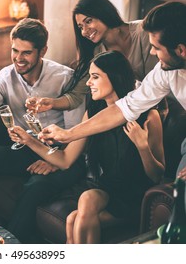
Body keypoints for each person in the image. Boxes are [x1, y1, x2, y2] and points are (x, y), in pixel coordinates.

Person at [11, 50, 165, 243]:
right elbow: (65, 160)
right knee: (80, 208)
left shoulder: (149, 116)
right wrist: (28, 140)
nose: (88, 82)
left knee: (73, 219)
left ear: (115, 77)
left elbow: (157, 175)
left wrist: (143, 146)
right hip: (108, 190)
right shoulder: (93, 113)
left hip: (137, 198)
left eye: (95, 77)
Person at [39, 2, 186, 196]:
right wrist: (68, 135)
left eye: (156, 48)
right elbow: (122, 109)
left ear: (181, 50)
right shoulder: (165, 71)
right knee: (180, 195)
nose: (152, 52)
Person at [0, 18, 86, 243]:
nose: (18, 59)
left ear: (43, 51)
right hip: (27, 147)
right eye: (15, 50)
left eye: (26, 53)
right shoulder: (6, 76)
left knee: (36, 186)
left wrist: (54, 160)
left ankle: (9, 245)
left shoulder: (64, 79)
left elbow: (76, 131)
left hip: (64, 153)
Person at [27, 0, 158, 112]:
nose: (84, 32)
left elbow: (156, 81)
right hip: (129, 108)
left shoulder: (143, 33)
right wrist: (51, 103)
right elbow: (76, 95)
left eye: (88, 21)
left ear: (104, 14)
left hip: (158, 105)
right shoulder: (97, 51)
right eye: (80, 27)